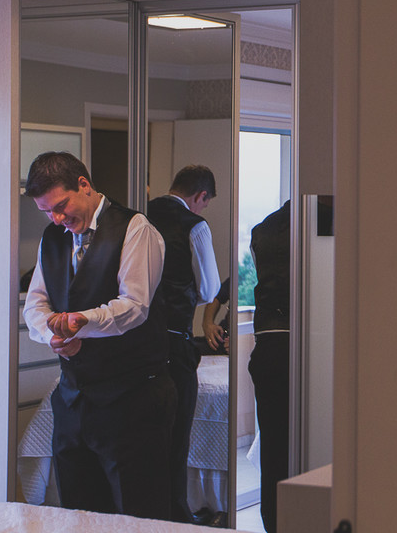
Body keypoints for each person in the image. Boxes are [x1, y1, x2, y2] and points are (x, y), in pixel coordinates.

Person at [21, 151, 175, 521]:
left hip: (133, 399)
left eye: (61, 206)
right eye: (47, 212)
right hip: (73, 401)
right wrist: (52, 334)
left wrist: (80, 323)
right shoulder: (53, 237)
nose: (57, 219)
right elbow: (36, 303)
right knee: (79, 513)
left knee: (140, 515)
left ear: (84, 185)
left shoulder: (135, 229)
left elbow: (134, 306)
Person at [145, 165, 223, 524]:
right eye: (205, 203)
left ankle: (144, 513)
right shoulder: (195, 226)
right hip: (174, 342)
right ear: (200, 196)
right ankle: (176, 516)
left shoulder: (139, 215)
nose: (203, 209)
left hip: (136, 343)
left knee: (142, 436)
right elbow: (209, 289)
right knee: (176, 436)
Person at [248, 200, 291, 533]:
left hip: (266, 344)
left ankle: (273, 522)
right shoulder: (324, 223)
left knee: (274, 450)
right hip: (300, 341)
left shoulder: (262, 230)